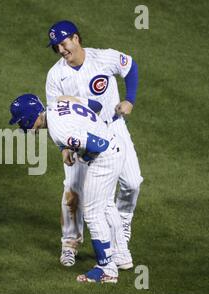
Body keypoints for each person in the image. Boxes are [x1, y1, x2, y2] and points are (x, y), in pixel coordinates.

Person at [45, 20, 143, 266]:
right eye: (56, 47)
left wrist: (129, 99)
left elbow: (130, 66)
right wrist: (65, 147)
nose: (61, 50)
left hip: (113, 127)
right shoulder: (56, 75)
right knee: (73, 189)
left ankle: (122, 226)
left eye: (64, 43)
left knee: (132, 182)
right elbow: (56, 112)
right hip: (80, 138)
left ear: (76, 38)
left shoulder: (103, 58)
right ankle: (70, 243)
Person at [9, 93, 128, 283]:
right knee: (104, 205)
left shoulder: (58, 130)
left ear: (29, 117)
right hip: (115, 145)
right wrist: (71, 146)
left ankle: (107, 269)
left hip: (106, 157)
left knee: (92, 213)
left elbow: (99, 145)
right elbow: (95, 105)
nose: (21, 126)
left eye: (21, 121)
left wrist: (83, 157)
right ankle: (121, 256)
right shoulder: (59, 103)